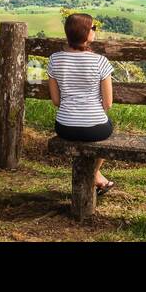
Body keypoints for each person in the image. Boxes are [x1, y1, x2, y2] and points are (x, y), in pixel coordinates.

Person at [48, 13, 116, 195]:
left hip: (64, 126)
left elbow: (56, 101)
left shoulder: (55, 60)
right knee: (108, 132)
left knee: (90, 135)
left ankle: (97, 177)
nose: (95, 31)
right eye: (93, 28)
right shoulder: (101, 61)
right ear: (85, 33)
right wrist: (91, 113)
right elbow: (108, 103)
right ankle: (93, 174)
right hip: (95, 128)